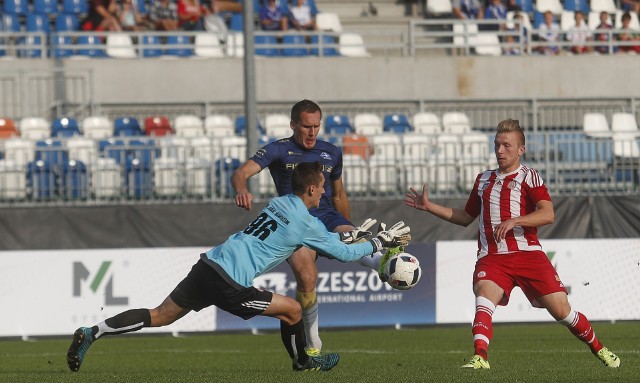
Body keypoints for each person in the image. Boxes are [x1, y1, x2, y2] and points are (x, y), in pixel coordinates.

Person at [66, 161, 411, 373]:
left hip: (209, 263)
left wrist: (359, 240)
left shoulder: (280, 202)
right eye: (321, 188)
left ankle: (92, 331)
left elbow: (331, 243)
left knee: (160, 315)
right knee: (292, 311)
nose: (323, 193)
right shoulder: (306, 222)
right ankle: (303, 363)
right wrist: (378, 244)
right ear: (310, 188)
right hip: (230, 282)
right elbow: (345, 254)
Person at [403, 118, 620, 370]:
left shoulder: (529, 177)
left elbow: (548, 214)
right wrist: (430, 207)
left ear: (520, 150)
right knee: (484, 293)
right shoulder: (483, 180)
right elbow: (465, 217)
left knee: (563, 312)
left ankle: (599, 348)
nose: (500, 150)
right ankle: (480, 357)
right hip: (493, 258)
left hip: (529, 256)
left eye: (506, 145)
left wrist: (515, 220)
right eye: (496, 145)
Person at [231, 100, 396, 356]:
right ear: (293, 124)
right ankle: (313, 341)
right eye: (306, 126)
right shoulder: (278, 150)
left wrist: (350, 228)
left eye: (317, 126)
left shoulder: (331, 152)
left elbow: (339, 194)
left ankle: (386, 267)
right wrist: (242, 189)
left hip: (327, 216)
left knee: (351, 240)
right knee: (307, 278)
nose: (312, 132)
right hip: (296, 224)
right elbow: (241, 173)